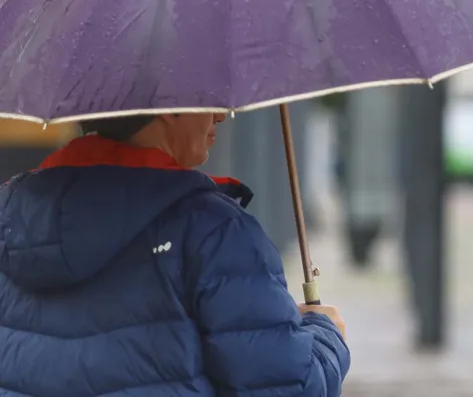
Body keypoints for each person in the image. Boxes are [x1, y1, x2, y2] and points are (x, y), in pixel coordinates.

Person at [0, 113, 350, 396]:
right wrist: (326, 335)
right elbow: (284, 387)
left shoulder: (11, 218)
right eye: (207, 100)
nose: (220, 115)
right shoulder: (212, 231)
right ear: (169, 109)